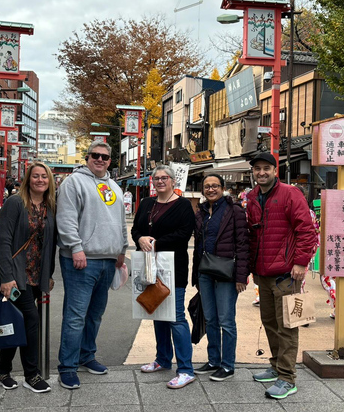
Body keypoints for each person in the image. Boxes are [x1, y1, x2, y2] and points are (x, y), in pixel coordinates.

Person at [245, 153, 319, 400]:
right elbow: (254, 236)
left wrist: (300, 262)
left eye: (266, 168)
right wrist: (252, 269)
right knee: (269, 322)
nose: (261, 172)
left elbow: (306, 231)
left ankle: (287, 378)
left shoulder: (290, 194)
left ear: (275, 170)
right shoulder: (253, 197)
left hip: (287, 273)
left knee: (287, 326)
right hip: (263, 273)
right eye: (257, 169)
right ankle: (276, 365)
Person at [55, 141, 127, 390]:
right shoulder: (73, 182)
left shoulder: (113, 185)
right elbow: (65, 218)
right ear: (87, 157)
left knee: (95, 315)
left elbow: (121, 222)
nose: (100, 159)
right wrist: (75, 247)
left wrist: (122, 249)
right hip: (82, 259)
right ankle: (67, 366)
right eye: (95, 155)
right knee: (75, 316)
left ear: (110, 161)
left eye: (105, 157)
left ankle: (87, 356)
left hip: (108, 260)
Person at [0, 162, 57, 393]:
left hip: (37, 274)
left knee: (15, 322)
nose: (40, 180)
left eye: (44, 177)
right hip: (16, 273)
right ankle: (32, 374)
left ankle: (1, 370)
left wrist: (48, 275)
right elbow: (3, 242)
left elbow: (50, 244)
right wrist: (7, 278)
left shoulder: (50, 206)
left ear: (49, 181)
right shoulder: (15, 203)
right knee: (31, 320)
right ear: (28, 179)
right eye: (36, 176)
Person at [132, 165, 197, 389]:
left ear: (172, 181)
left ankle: (186, 369)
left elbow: (183, 234)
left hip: (173, 267)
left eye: (164, 178)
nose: (160, 181)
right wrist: (140, 238)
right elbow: (135, 230)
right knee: (157, 312)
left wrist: (155, 243)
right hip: (149, 268)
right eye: (156, 178)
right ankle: (162, 359)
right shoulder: (146, 204)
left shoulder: (183, 206)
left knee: (176, 316)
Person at [191, 174, 249, 381]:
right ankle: (214, 360)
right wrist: (196, 274)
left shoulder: (234, 211)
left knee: (226, 320)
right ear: (202, 190)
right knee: (210, 319)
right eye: (207, 186)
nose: (211, 189)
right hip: (205, 272)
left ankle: (228, 365)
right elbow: (198, 244)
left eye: (215, 186)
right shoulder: (201, 212)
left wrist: (241, 276)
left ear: (223, 188)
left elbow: (243, 244)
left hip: (226, 273)